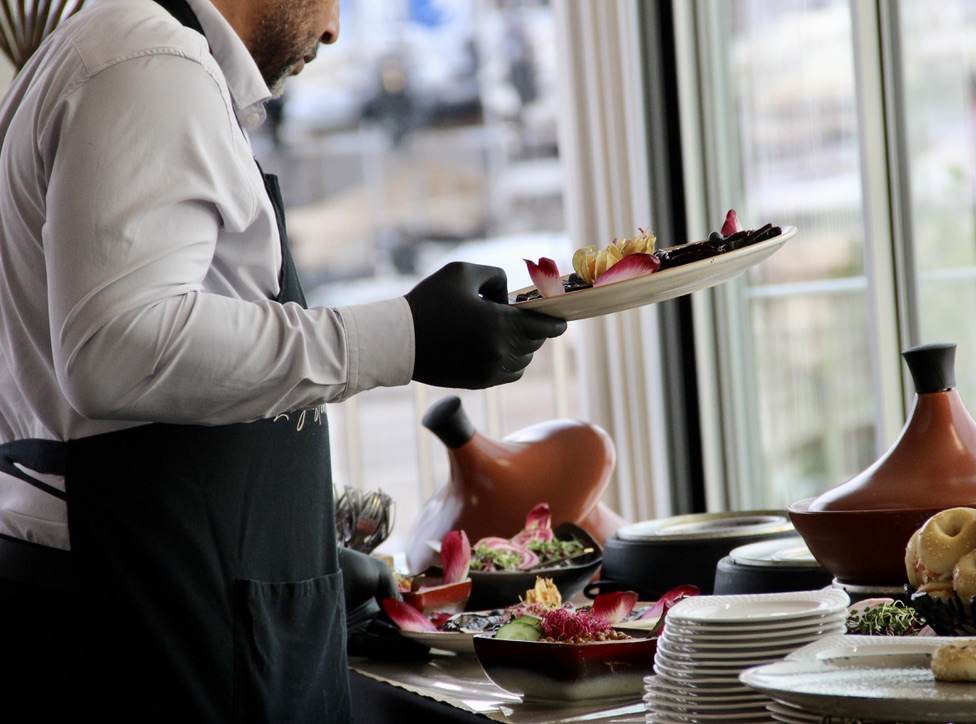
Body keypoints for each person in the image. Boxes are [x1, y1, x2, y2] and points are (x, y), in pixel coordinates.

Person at [0, 0, 566, 720]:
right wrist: (406, 336)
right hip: (145, 623)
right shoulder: (151, 63)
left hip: (127, 590)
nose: (334, 29)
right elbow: (119, 348)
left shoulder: (103, 50)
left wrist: (297, 535)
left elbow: (111, 401)